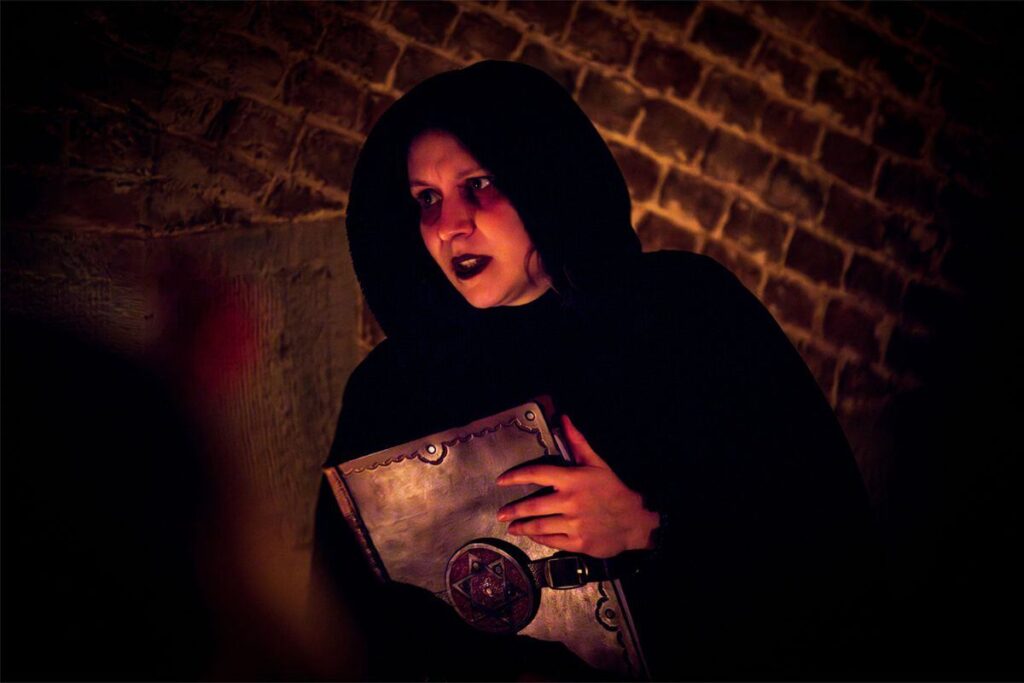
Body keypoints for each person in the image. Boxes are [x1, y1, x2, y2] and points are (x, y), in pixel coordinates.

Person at [312, 60, 880, 680]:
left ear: (542, 178)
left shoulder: (689, 312)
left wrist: (651, 526)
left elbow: (824, 536)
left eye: (479, 184)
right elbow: (340, 628)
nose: (449, 227)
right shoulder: (389, 390)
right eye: (427, 198)